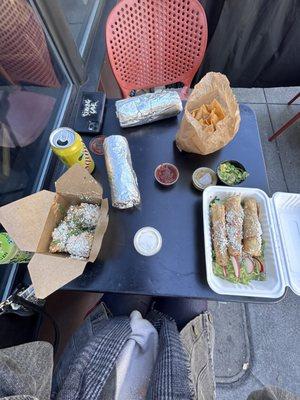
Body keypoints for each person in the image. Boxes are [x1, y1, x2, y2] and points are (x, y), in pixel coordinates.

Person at [0, 300, 299, 400]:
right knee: (189, 295)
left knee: (133, 274)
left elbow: (28, 364)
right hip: (186, 372)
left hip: (95, 357)